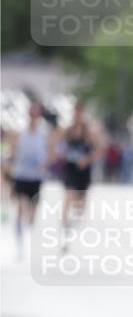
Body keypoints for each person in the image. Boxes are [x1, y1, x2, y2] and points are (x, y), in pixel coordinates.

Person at [7, 101, 56, 258]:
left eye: (36, 114)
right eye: (31, 114)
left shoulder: (44, 134)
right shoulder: (20, 133)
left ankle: (27, 235)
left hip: (36, 177)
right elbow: (12, 152)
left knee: (32, 215)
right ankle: (19, 246)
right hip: (21, 175)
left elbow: (52, 154)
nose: (33, 117)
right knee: (21, 208)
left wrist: (45, 164)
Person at [57, 101, 104, 250]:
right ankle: (64, 226)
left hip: (83, 170)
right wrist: (60, 154)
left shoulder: (88, 132)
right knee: (69, 195)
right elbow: (56, 144)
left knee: (80, 203)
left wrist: (87, 159)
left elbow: (100, 150)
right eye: (75, 112)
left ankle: (74, 221)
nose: (77, 115)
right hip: (71, 167)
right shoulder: (68, 130)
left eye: (79, 112)